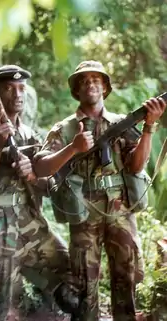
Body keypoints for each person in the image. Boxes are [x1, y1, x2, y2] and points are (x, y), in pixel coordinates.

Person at [33, 60, 167, 321]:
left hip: (120, 208)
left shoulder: (122, 123)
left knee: (125, 279)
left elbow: (136, 165)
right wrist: (73, 147)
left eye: (96, 80)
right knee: (85, 283)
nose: (90, 84)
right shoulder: (65, 129)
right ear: (76, 91)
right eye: (84, 81)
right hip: (83, 210)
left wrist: (149, 126)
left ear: (105, 88)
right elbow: (40, 168)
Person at [0, 65, 79, 321]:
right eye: (8, 88)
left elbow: (45, 184)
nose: (17, 94)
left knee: (68, 270)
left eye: (21, 88)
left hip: (28, 224)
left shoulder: (28, 133)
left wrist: (32, 174)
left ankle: (38, 312)